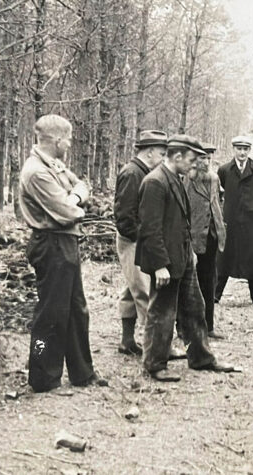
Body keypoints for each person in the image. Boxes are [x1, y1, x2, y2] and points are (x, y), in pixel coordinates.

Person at [136, 134, 235, 382]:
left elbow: (181, 221)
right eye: (191, 159)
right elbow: (150, 228)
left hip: (182, 256)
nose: (194, 164)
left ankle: (201, 357)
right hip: (165, 262)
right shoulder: (155, 182)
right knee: (162, 313)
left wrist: (189, 251)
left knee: (194, 308)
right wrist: (160, 265)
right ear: (177, 156)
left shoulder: (176, 178)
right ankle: (154, 364)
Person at [20, 114, 107, 392]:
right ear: (56, 140)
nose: (69, 144)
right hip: (50, 244)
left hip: (65, 243)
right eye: (67, 139)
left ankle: (82, 372)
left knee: (76, 310)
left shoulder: (53, 166)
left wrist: (75, 196)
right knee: (50, 314)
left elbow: (82, 186)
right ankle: (42, 376)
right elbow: (66, 212)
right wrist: (75, 199)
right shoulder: (37, 171)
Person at [113, 130, 167, 355]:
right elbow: (124, 216)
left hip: (139, 241)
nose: (163, 159)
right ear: (150, 152)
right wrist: (142, 239)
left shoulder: (143, 171)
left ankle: (127, 341)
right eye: (162, 154)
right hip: (133, 242)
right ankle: (153, 349)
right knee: (145, 293)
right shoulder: (132, 173)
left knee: (131, 290)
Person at [215, 135, 253, 305]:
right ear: (234, 150)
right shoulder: (224, 170)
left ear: (249, 151)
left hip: (252, 220)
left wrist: (251, 207)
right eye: (239, 149)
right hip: (230, 219)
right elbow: (220, 192)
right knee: (225, 255)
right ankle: (216, 294)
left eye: (245, 149)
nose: (242, 153)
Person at [184, 143, 226, 339]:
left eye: (209, 158)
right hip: (193, 238)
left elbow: (217, 203)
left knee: (209, 281)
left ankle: (208, 327)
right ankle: (185, 327)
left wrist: (220, 226)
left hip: (212, 236)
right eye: (202, 158)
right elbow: (183, 211)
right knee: (189, 284)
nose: (206, 162)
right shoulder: (188, 180)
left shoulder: (214, 178)